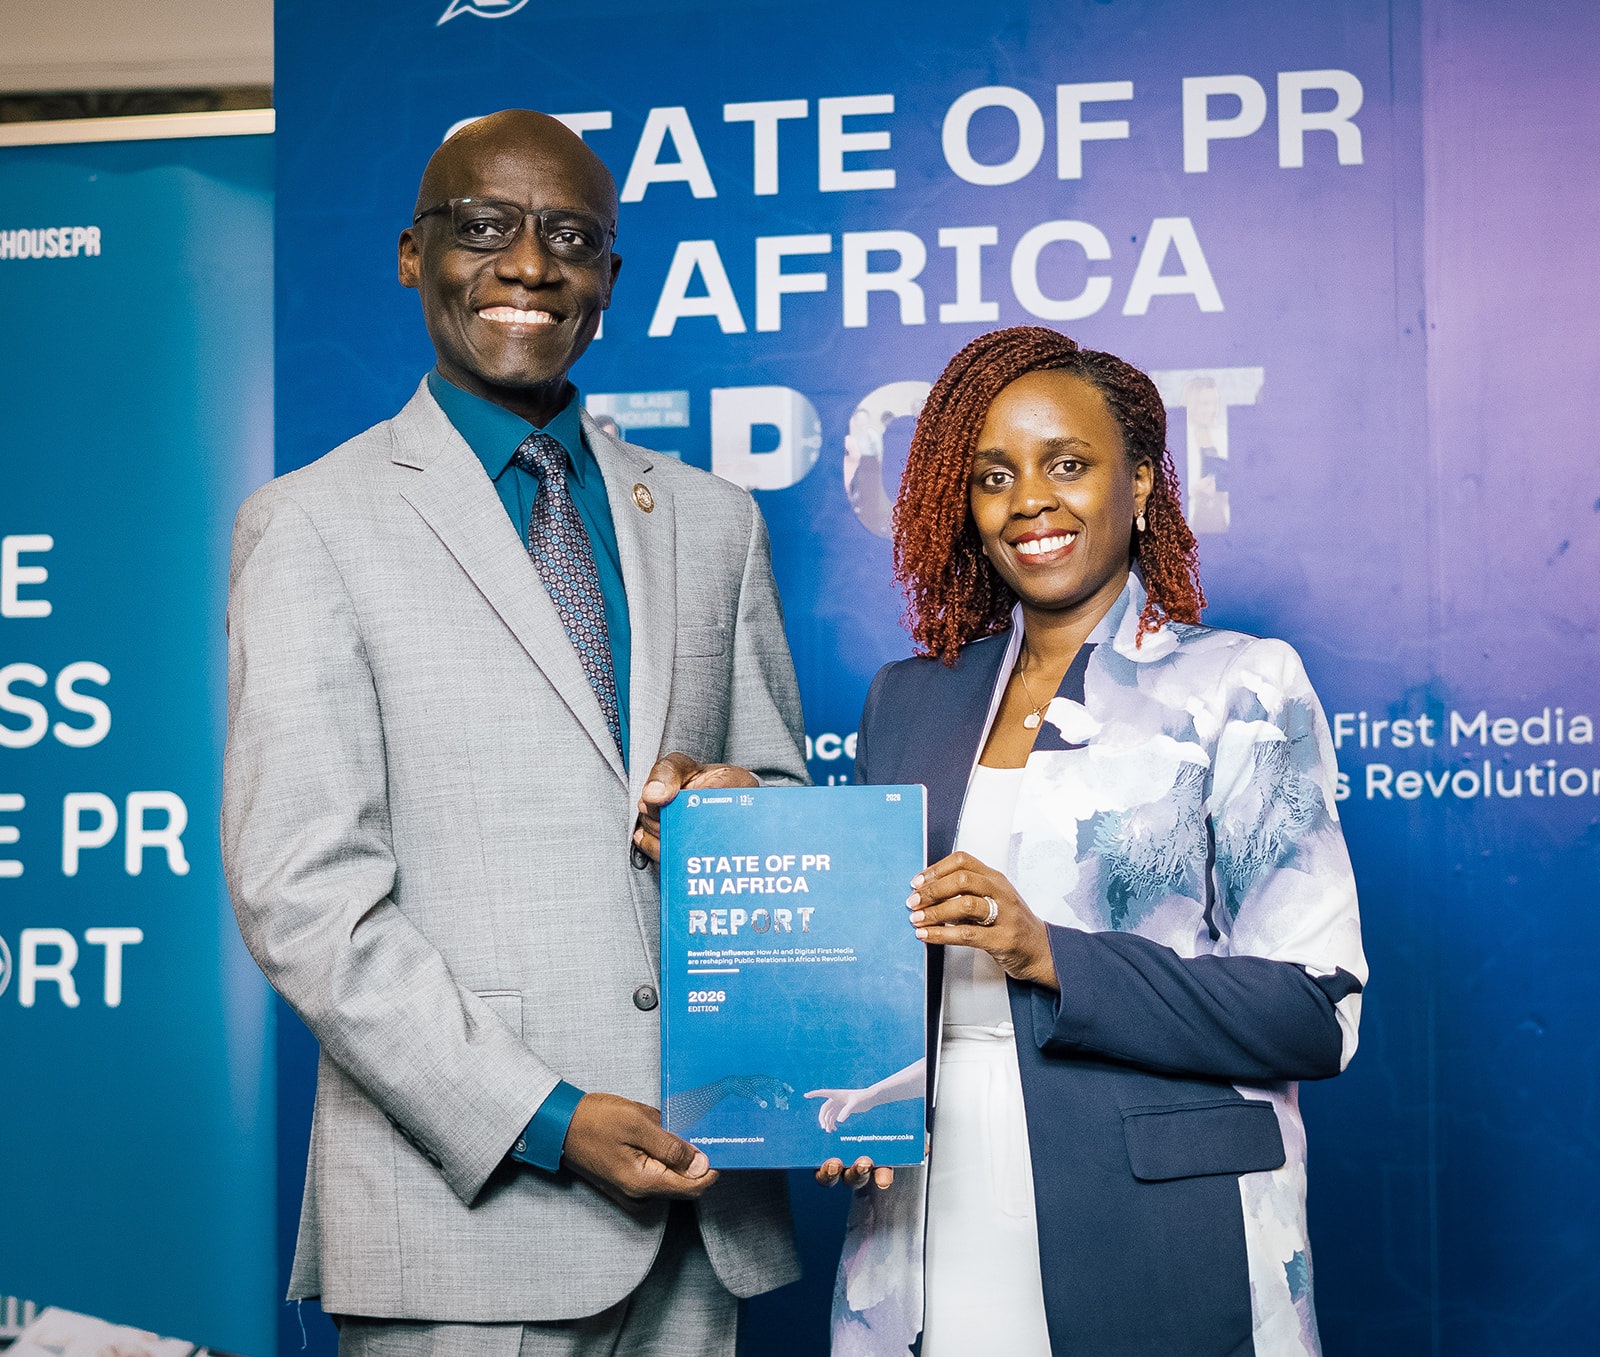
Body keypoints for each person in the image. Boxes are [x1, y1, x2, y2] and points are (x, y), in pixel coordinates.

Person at [221, 110, 807, 1355]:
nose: (531, 265)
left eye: (570, 237)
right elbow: (303, 896)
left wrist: (740, 805)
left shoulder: (714, 520)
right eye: (484, 226)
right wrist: (545, 1115)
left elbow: (785, 802)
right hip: (464, 1220)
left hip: (703, 1204)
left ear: (610, 276)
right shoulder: (311, 524)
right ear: (411, 254)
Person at [816, 327, 1366, 1356]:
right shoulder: (908, 699)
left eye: (1067, 464)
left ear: (1141, 480)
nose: (1029, 500)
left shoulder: (1241, 685)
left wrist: (1050, 954)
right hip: (923, 1216)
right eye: (993, 476)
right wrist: (855, 1100)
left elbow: (1313, 1011)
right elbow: (874, 980)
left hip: (1156, 1224)